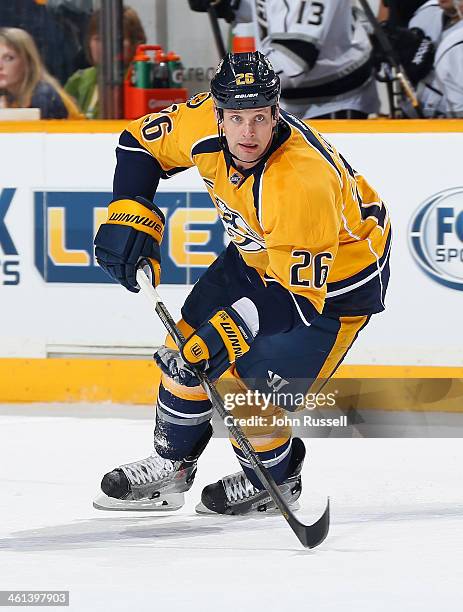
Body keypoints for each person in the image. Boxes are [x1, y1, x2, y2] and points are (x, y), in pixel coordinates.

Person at [93, 52, 391, 515]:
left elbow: (299, 300)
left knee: (251, 394)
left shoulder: (301, 182)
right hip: (257, 253)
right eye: (235, 118)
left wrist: (231, 330)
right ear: (217, 114)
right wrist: (128, 209)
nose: (247, 133)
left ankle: (276, 476)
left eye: (259, 118)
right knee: (185, 349)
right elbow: (138, 143)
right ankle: (171, 470)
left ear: (276, 114)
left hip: (335, 287)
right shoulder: (200, 123)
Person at [188, 0, 380, 119]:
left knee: (320, 179)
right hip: (297, 99)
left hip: (333, 103)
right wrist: (228, 4)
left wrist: (236, 89)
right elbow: (273, 10)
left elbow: (294, 59)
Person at [64, 6, 146, 119]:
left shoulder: (143, 80)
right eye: (98, 39)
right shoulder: (78, 81)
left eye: (117, 39)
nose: (107, 46)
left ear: (135, 42)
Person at [0, 27, 81, 119]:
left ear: (28, 62)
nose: (0, 66)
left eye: (8, 58)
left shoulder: (43, 96)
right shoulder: (9, 96)